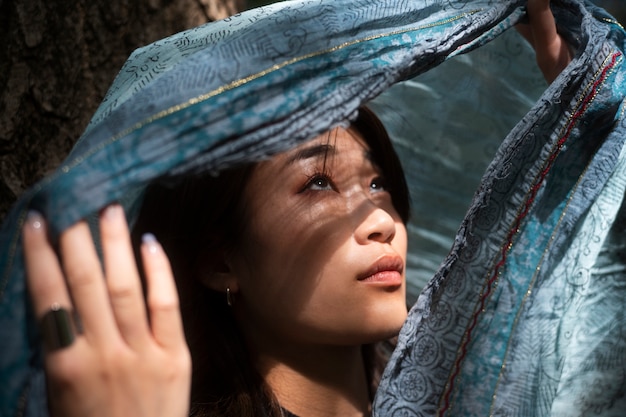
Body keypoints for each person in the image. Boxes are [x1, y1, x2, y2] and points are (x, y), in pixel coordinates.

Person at [19, 1, 578, 416]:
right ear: (220, 262)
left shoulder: (461, 391)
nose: (383, 223)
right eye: (317, 184)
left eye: (378, 182)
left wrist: (588, 123)